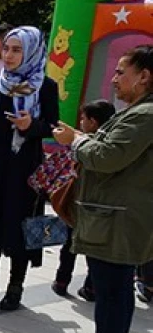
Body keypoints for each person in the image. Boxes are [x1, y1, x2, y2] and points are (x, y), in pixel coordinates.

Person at [52, 45, 153, 333]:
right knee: (115, 289)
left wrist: (76, 140)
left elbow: (108, 157)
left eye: (121, 72)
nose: (114, 78)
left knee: (112, 291)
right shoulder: (137, 112)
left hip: (117, 219)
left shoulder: (145, 115)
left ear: (144, 77)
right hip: (114, 216)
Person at [0, 26, 59, 311]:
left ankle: (15, 287)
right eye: (6, 49)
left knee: (20, 226)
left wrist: (32, 127)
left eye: (17, 50)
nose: (8, 55)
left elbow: (54, 127)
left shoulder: (46, 86)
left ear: (32, 51)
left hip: (25, 171)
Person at [52, 99, 117, 299]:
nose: (81, 121)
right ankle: (91, 288)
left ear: (94, 122)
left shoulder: (84, 145)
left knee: (70, 245)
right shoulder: (109, 144)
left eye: (84, 118)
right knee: (93, 250)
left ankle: (62, 281)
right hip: (97, 208)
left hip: (78, 205)